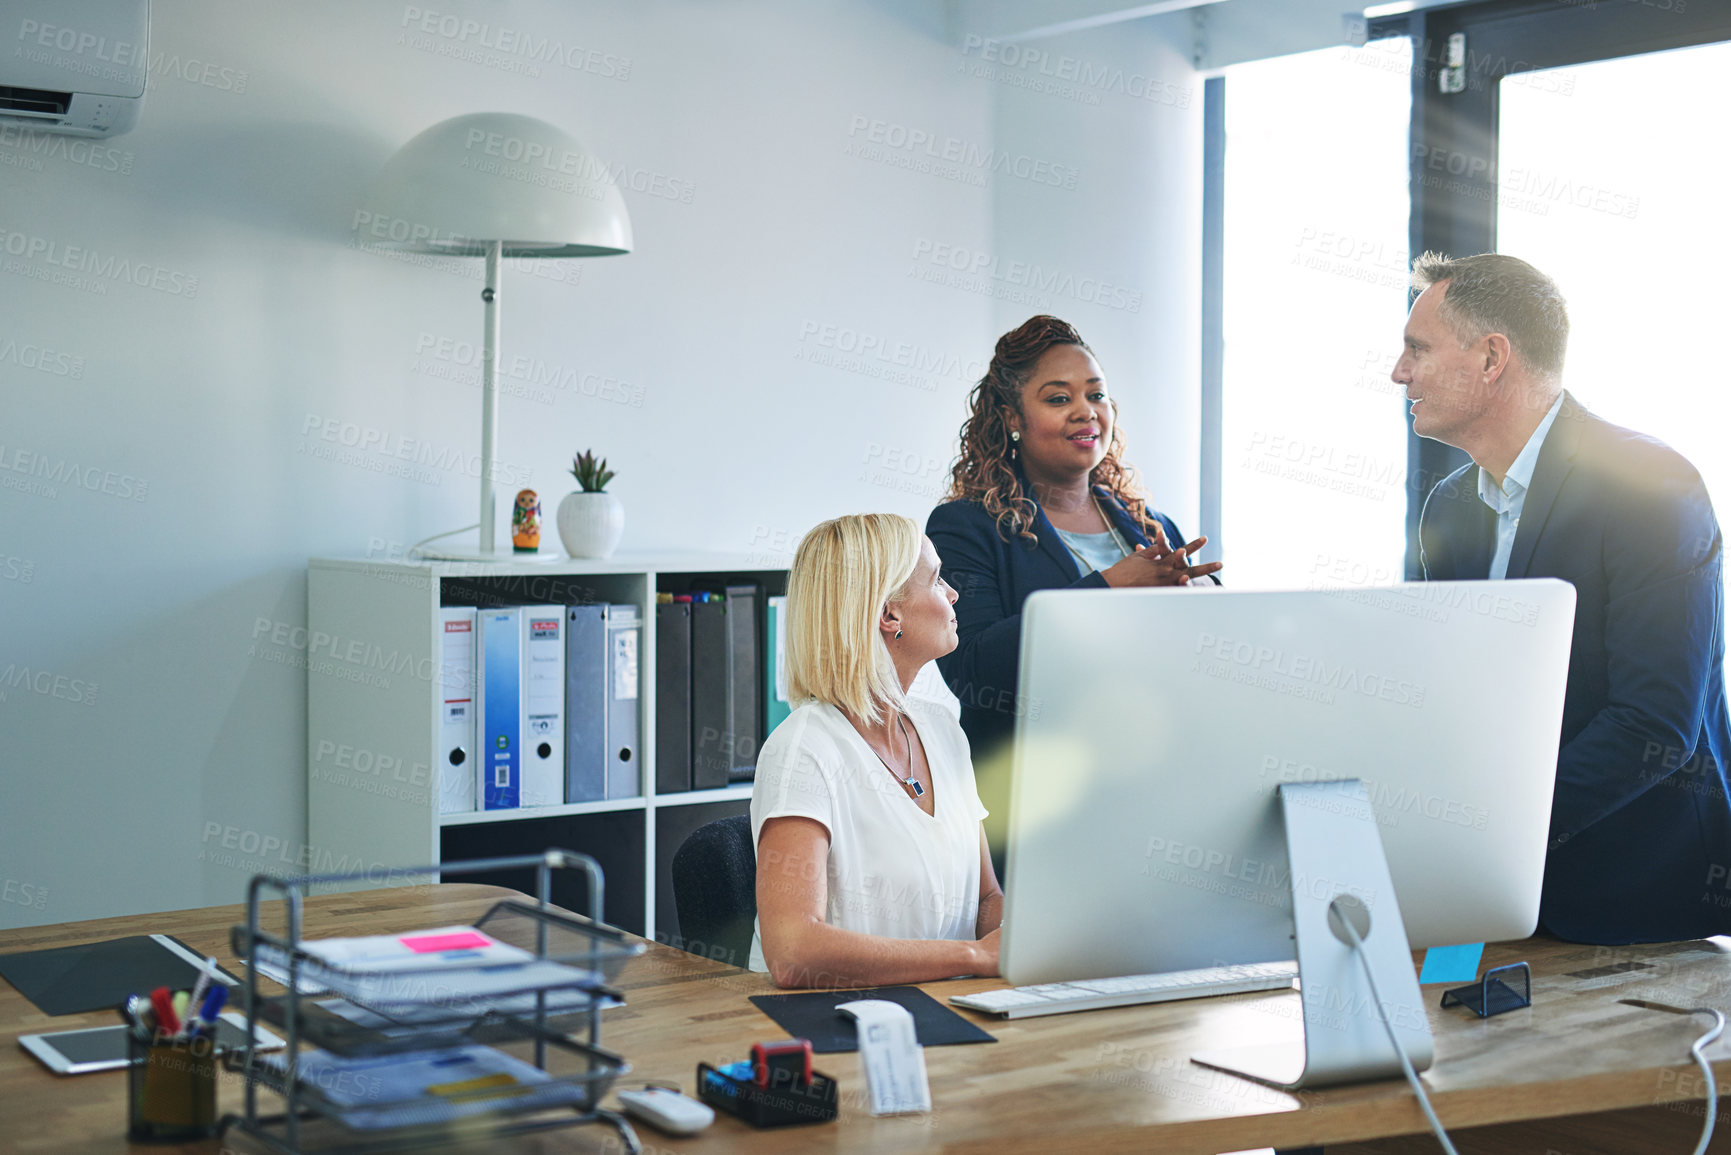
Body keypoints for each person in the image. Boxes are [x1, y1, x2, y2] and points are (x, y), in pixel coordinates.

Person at [1396, 251, 1731, 944]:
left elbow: (1653, 727)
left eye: (1416, 349)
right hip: (1479, 903)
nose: (1398, 373)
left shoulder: (1650, 487)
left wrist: (1488, 830)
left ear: (1491, 358)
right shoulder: (1446, 505)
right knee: (1431, 1044)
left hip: (1634, 913)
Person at [926, 315, 1221, 869]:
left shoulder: (1147, 526)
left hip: (1154, 799)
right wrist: (1111, 586)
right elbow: (972, 666)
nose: (1087, 411)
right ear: (1012, 418)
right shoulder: (965, 527)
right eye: (1059, 398)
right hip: (1032, 813)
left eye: (1098, 395)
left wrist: (1206, 605)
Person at [750, 514, 1003, 988]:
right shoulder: (803, 750)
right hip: (838, 1025)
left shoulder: (944, 729)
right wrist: (972, 955)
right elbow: (792, 952)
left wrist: (1034, 939)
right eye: (936, 579)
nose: (953, 594)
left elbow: (987, 898)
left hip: (952, 1008)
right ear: (890, 614)